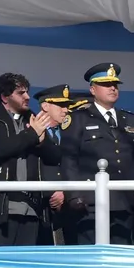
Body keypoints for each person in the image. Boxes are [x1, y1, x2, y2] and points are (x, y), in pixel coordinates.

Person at [61, 62, 134, 245]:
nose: (112, 88)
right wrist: (74, 195)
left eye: (115, 84)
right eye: (106, 84)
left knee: (121, 257)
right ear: (93, 89)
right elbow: (69, 158)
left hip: (125, 202)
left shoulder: (130, 119)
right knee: (91, 257)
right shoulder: (79, 118)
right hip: (90, 204)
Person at [0, 72, 59, 246]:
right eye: (21, 93)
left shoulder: (34, 121)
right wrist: (32, 134)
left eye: (27, 92)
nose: (27, 97)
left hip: (31, 211)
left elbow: (55, 157)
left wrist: (42, 142)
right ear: (4, 97)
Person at [32, 84, 76, 245]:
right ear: (45, 106)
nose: (66, 110)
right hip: (40, 204)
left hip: (67, 202)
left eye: (67, 106)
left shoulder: (70, 132)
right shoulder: (29, 129)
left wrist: (65, 190)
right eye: (61, 105)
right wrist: (52, 191)